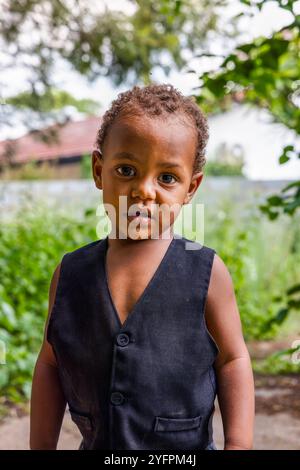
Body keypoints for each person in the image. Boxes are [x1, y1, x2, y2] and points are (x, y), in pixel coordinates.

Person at [30, 83, 254, 451]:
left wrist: (239, 444)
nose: (144, 191)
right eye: (126, 169)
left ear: (190, 188)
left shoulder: (206, 271)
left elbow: (233, 359)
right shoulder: (71, 274)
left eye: (167, 178)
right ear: (99, 170)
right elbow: (52, 362)